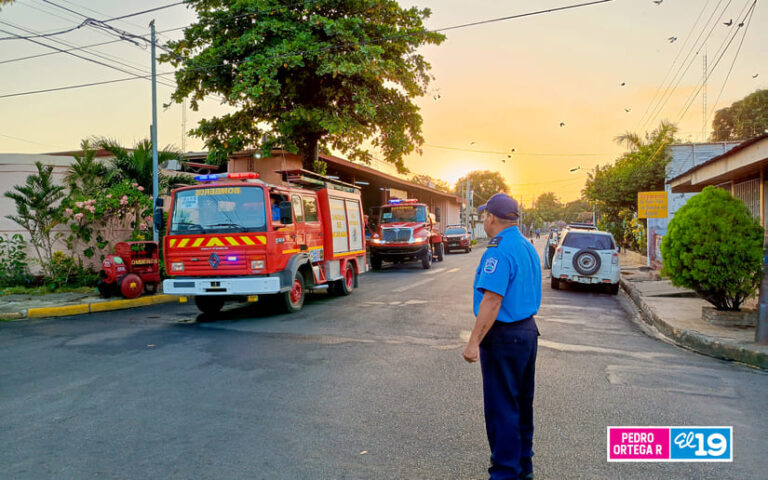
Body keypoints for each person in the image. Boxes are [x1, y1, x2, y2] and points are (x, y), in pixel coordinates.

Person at [463, 192, 542, 480]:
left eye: (484, 214)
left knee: (502, 408)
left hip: (504, 337)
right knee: (521, 405)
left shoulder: (498, 250)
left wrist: (473, 342)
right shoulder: (525, 245)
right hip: (527, 333)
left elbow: (492, 301)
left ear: (491, 217)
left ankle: (505, 474)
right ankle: (523, 468)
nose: (483, 218)